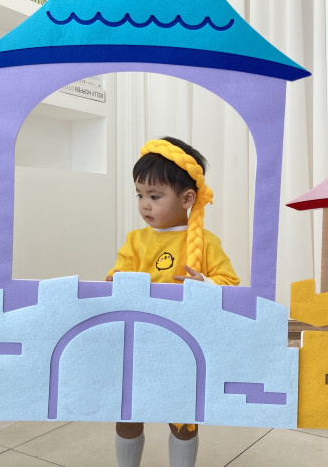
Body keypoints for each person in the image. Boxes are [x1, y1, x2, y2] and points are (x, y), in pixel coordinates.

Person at [106, 137, 239, 467]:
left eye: (154, 196)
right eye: (139, 195)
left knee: (182, 419)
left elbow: (230, 284)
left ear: (187, 198)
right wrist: (114, 281)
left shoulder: (205, 242)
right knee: (127, 413)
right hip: (138, 343)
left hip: (183, 346)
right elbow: (117, 276)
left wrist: (204, 284)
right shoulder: (135, 240)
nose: (144, 205)